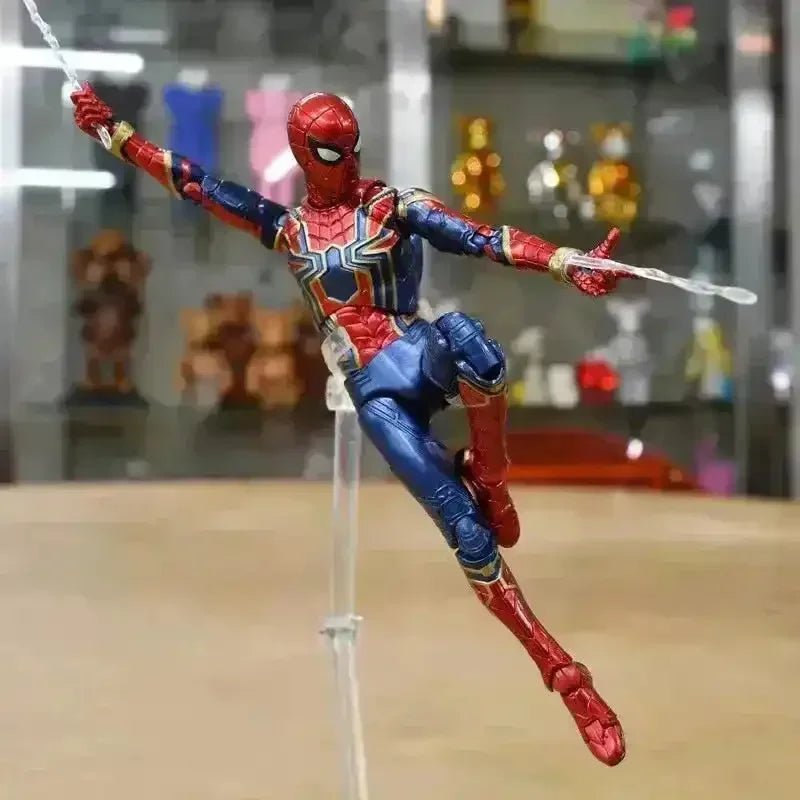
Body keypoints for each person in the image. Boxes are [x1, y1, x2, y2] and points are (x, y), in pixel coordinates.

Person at [72, 87, 627, 765]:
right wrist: (114, 134)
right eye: (334, 152)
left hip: (414, 352)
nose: (350, 161)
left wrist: (566, 262)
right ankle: (567, 678)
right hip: (372, 391)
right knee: (467, 537)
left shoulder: (391, 207)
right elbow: (196, 184)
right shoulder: (289, 229)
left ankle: (491, 473)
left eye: (353, 147)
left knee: (469, 340)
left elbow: (483, 238)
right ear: (305, 155)